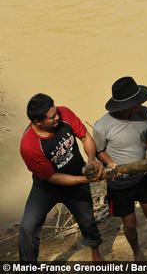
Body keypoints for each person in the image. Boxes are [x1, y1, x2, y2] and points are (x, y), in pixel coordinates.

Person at [93, 76, 147, 260]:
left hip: (142, 177)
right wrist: (110, 163)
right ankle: (137, 252)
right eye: (136, 102)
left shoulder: (144, 114)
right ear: (125, 106)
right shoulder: (102, 126)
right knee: (130, 222)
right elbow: (99, 151)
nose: (141, 105)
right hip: (119, 182)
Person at [19, 93, 104, 262]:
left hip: (76, 178)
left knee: (87, 220)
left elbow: (85, 137)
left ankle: (96, 252)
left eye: (56, 112)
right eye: (52, 117)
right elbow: (51, 177)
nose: (57, 116)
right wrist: (85, 180)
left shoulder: (64, 114)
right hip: (46, 188)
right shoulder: (29, 145)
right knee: (27, 227)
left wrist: (92, 159)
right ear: (37, 122)